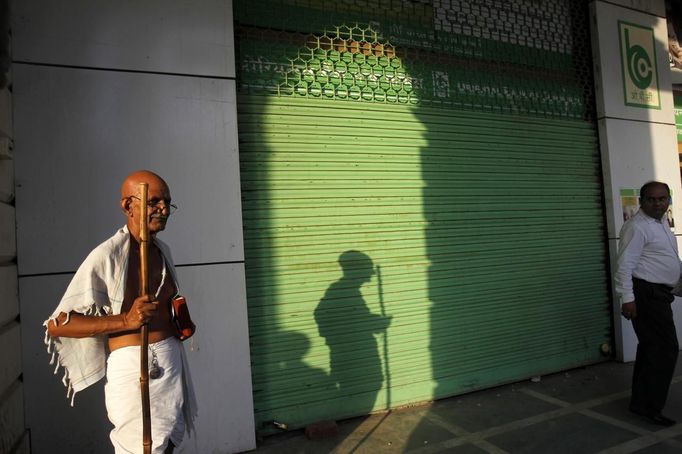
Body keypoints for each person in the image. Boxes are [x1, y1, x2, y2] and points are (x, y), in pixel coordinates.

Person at [44, 170, 197, 453]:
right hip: (133, 369)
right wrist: (125, 320)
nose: (163, 210)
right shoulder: (109, 254)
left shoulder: (162, 251)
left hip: (170, 362)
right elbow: (58, 324)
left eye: (167, 203)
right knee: (139, 448)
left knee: (166, 446)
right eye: (153, 202)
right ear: (128, 206)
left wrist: (181, 321)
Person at [615, 180, 681, 426]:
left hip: (659, 294)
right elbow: (625, 266)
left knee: (651, 349)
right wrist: (628, 300)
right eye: (652, 199)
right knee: (665, 350)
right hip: (646, 296)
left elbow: (664, 259)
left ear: (668, 200)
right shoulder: (637, 226)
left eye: (662, 198)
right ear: (642, 201)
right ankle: (648, 407)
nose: (658, 203)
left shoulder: (661, 223)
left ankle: (641, 403)